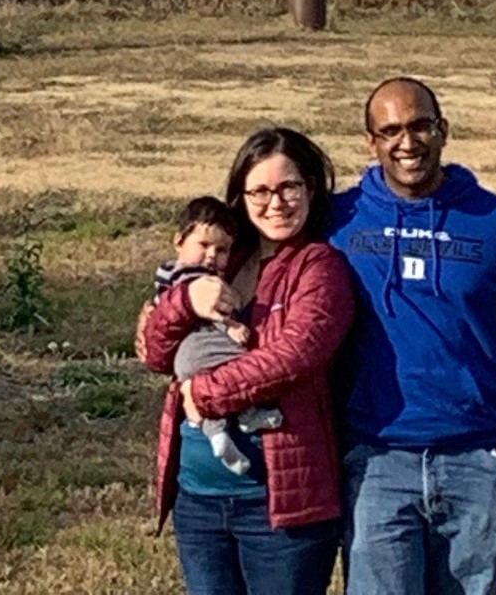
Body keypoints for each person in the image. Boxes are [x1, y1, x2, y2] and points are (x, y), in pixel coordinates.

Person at [329, 76, 496, 595]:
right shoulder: (340, 220)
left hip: (475, 463)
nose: (407, 142)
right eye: (391, 130)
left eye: (420, 125)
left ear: (443, 130)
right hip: (376, 462)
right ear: (370, 141)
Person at [141, 128, 354, 595]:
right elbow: (157, 354)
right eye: (259, 190)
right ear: (241, 194)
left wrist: (204, 394)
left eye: (288, 188)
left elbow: (294, 355)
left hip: (278, 506)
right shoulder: (218, 256)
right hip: (197, 497)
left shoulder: (320, 267)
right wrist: (184, 303)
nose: (275, 202)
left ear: (311, 190)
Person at [153, 196, 283, 477]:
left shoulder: (166, 273)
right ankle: (248, 414)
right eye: (203, 245)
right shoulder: (194, 275)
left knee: (212, 387)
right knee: (248, 362)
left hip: (186, 360)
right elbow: (207, 309)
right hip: (200, 345)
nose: (211, 255)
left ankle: (218, 437)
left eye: (222, 250)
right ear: (178, 241)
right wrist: (231, 326)